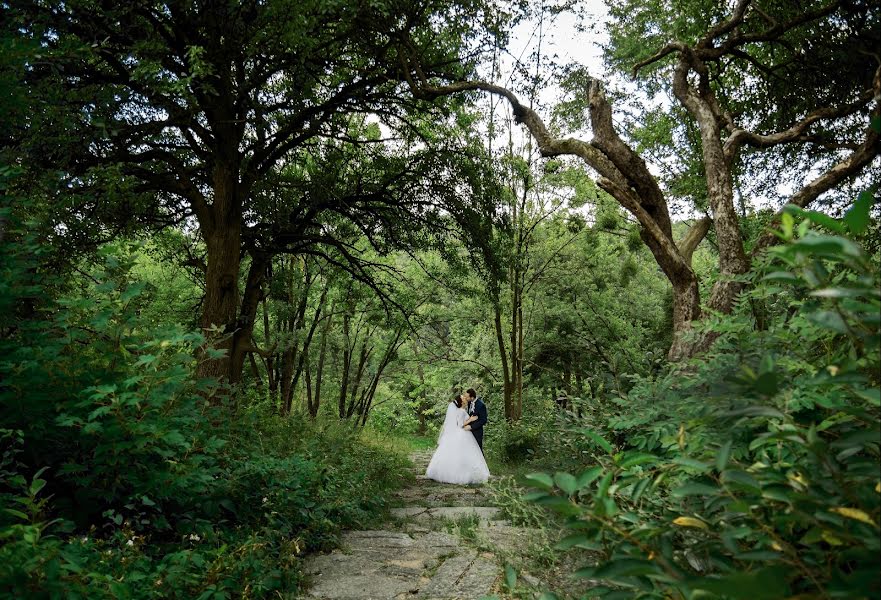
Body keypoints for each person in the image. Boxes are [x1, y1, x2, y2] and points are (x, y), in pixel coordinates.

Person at [425, 393, 490, 485]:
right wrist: (471, 420)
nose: (464, 397)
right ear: (460, 401)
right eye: (462, 397)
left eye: (464, 396)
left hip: (460, 432)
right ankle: (462, 474)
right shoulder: (461, 411)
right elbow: (460, 424)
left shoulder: (462, 409)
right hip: (462, 432)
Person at [462, 388, 487, 453]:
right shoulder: (469, 402)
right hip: (468, 431)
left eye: (467, 397)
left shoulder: (481, 405)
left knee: (478, 451)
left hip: (477, 432)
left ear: (472, 397)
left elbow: (483, 420)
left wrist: (471, 427)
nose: (465, 398)